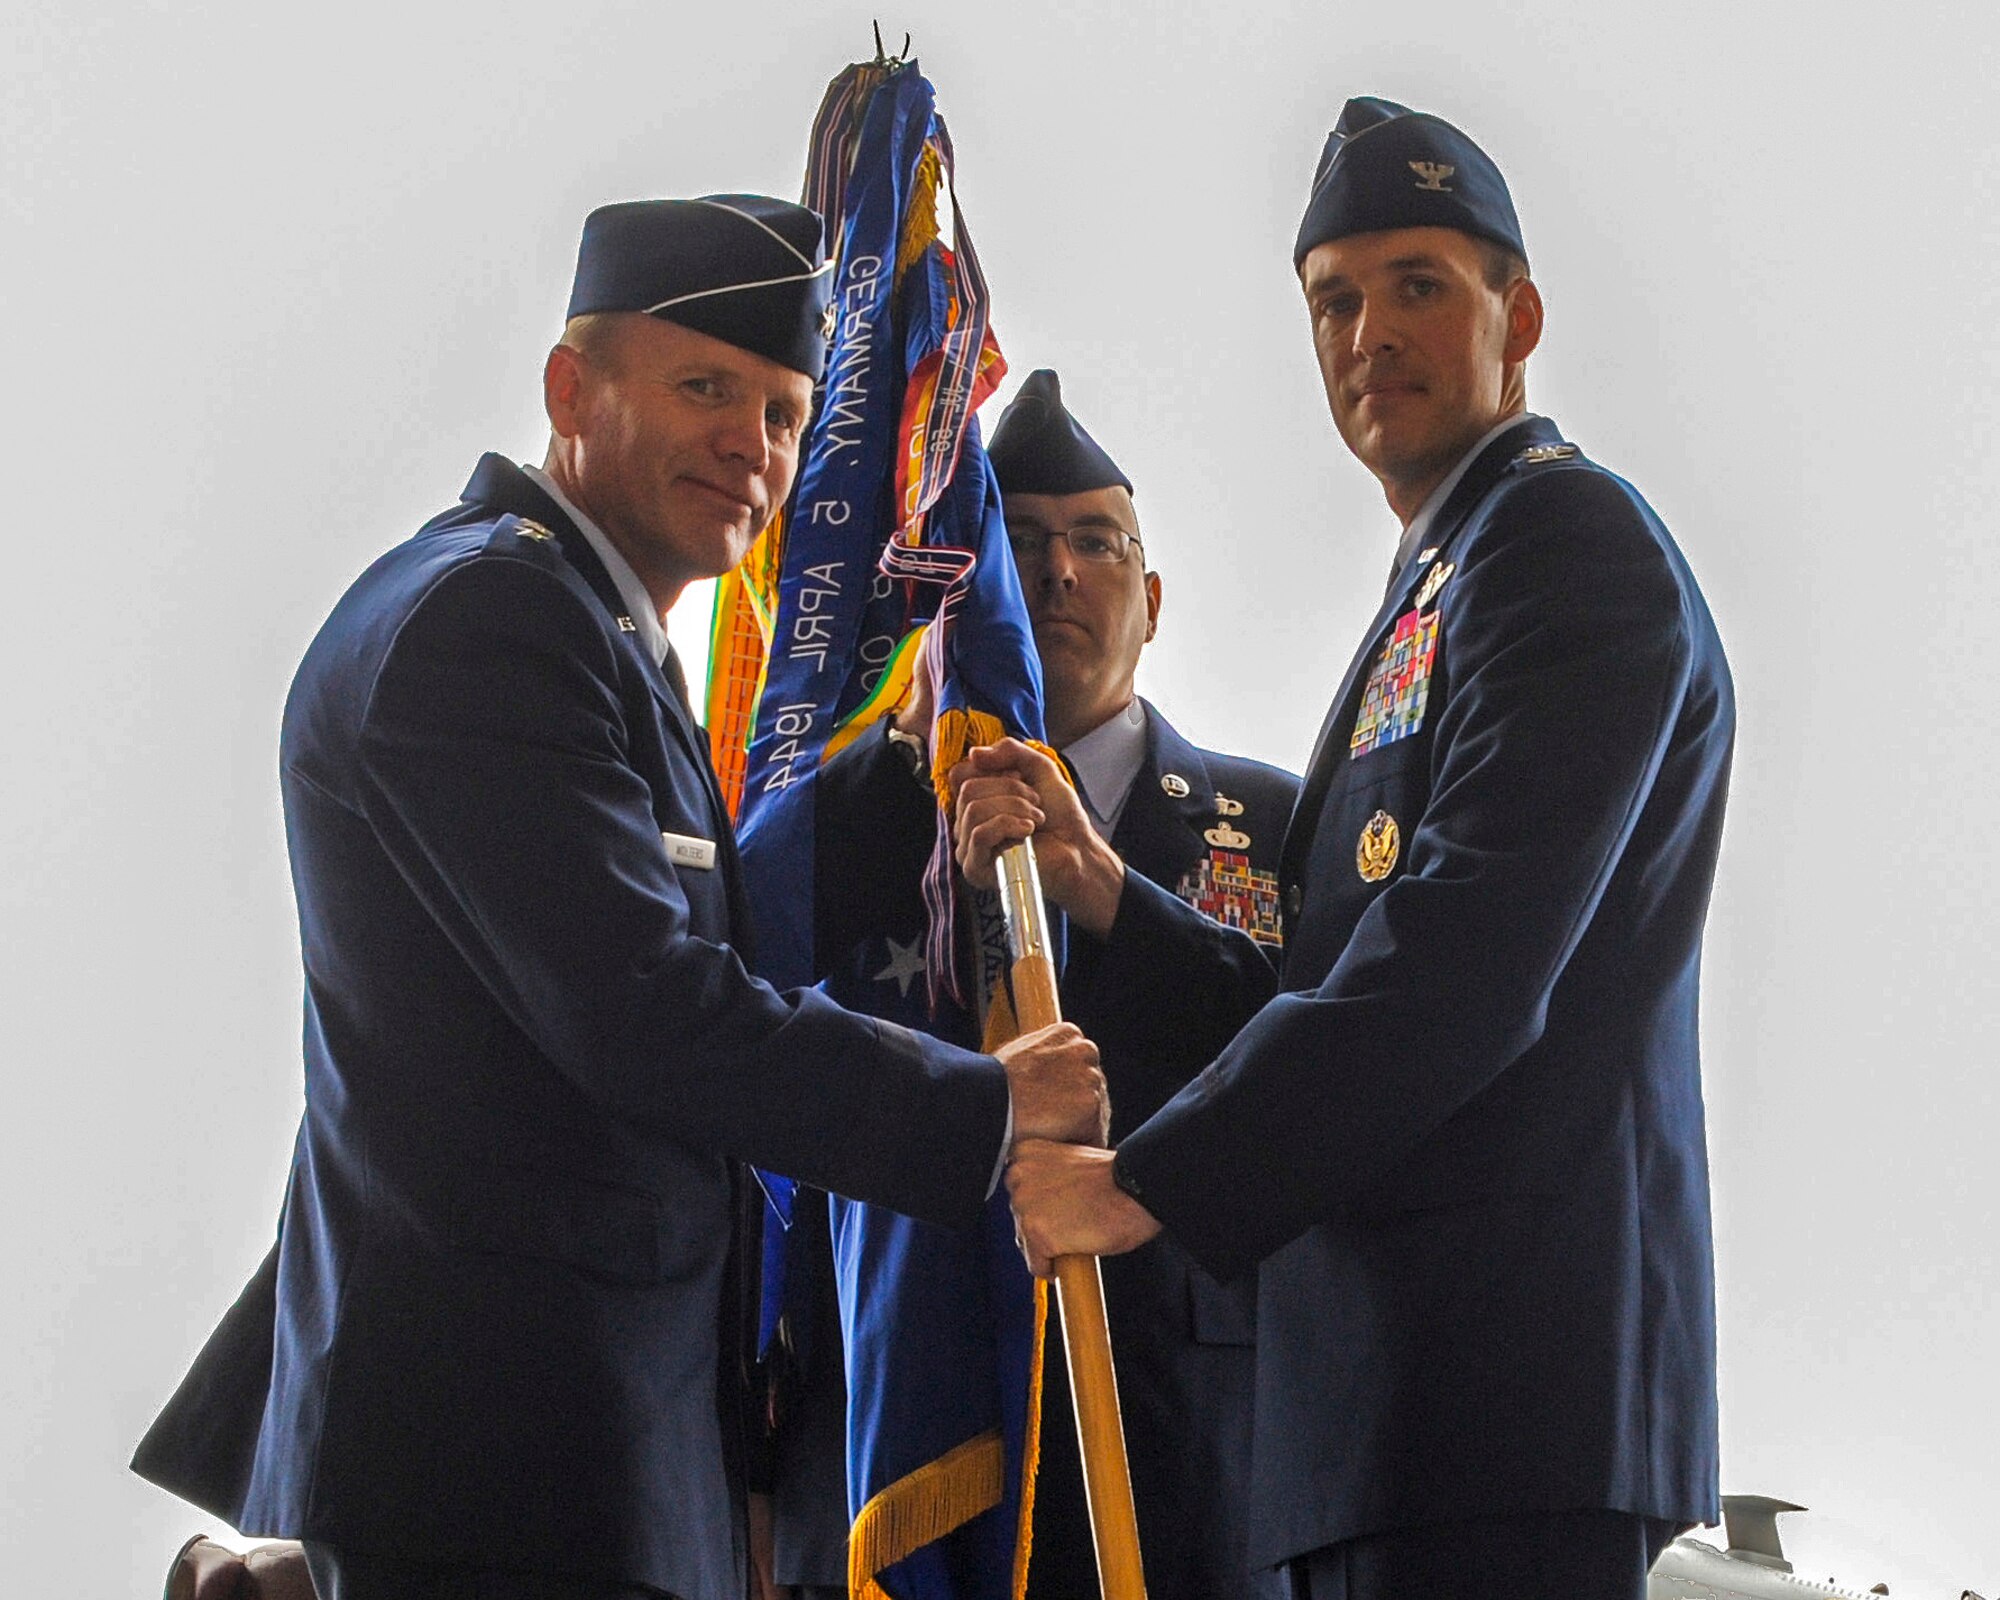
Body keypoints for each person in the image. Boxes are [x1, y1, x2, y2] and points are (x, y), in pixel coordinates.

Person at [131, 194, 1108, 1600]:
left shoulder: (586, 630)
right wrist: (988, 1110)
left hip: (574, 1471)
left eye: (782, 414)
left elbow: (709, 934)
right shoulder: (491, 621)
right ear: (568, 389)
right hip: (499, 1482)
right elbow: (646, 1010)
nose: (751, 446)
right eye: (705, 388)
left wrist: (913, 766)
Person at [981, 98, 1735, 1600]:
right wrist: (1114, 897)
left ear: (1516, 317)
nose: (1368, 333)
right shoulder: (1445, 575)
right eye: (1335, 299)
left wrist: (1149, 1182)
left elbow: (1459, 967)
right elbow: (1328, 975)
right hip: (1381, 1411)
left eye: (1417, 288)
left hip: (1499, 1397)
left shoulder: (1562, 546)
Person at [777, 371, 1296, 1598]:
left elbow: (1325, 1070)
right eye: (1018, 543)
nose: (1057, 573)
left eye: (1094, 541)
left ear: (1151, 597)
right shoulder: (870, 830)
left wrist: (1099, 881)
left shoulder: (1271, 820)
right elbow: (767, 1101)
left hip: (1197, 1457)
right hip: (914, 1445)